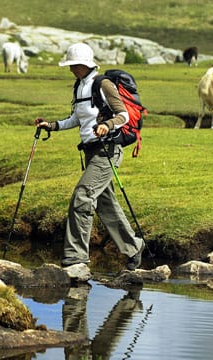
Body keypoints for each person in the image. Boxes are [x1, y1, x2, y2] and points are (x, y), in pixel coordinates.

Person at [35, 43, 145, 270]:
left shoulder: (102, 84)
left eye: (74, 65)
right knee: (106, 205)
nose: (71, 69)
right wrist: (52, 126)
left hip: (108, 151)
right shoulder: (79, 86)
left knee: (82, 196)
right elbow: (77, 119)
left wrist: (107, 124)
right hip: (90, 151)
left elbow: (123, 115)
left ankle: (75, 257)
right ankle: (133, 247)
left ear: (84, 64)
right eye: (70, 65)